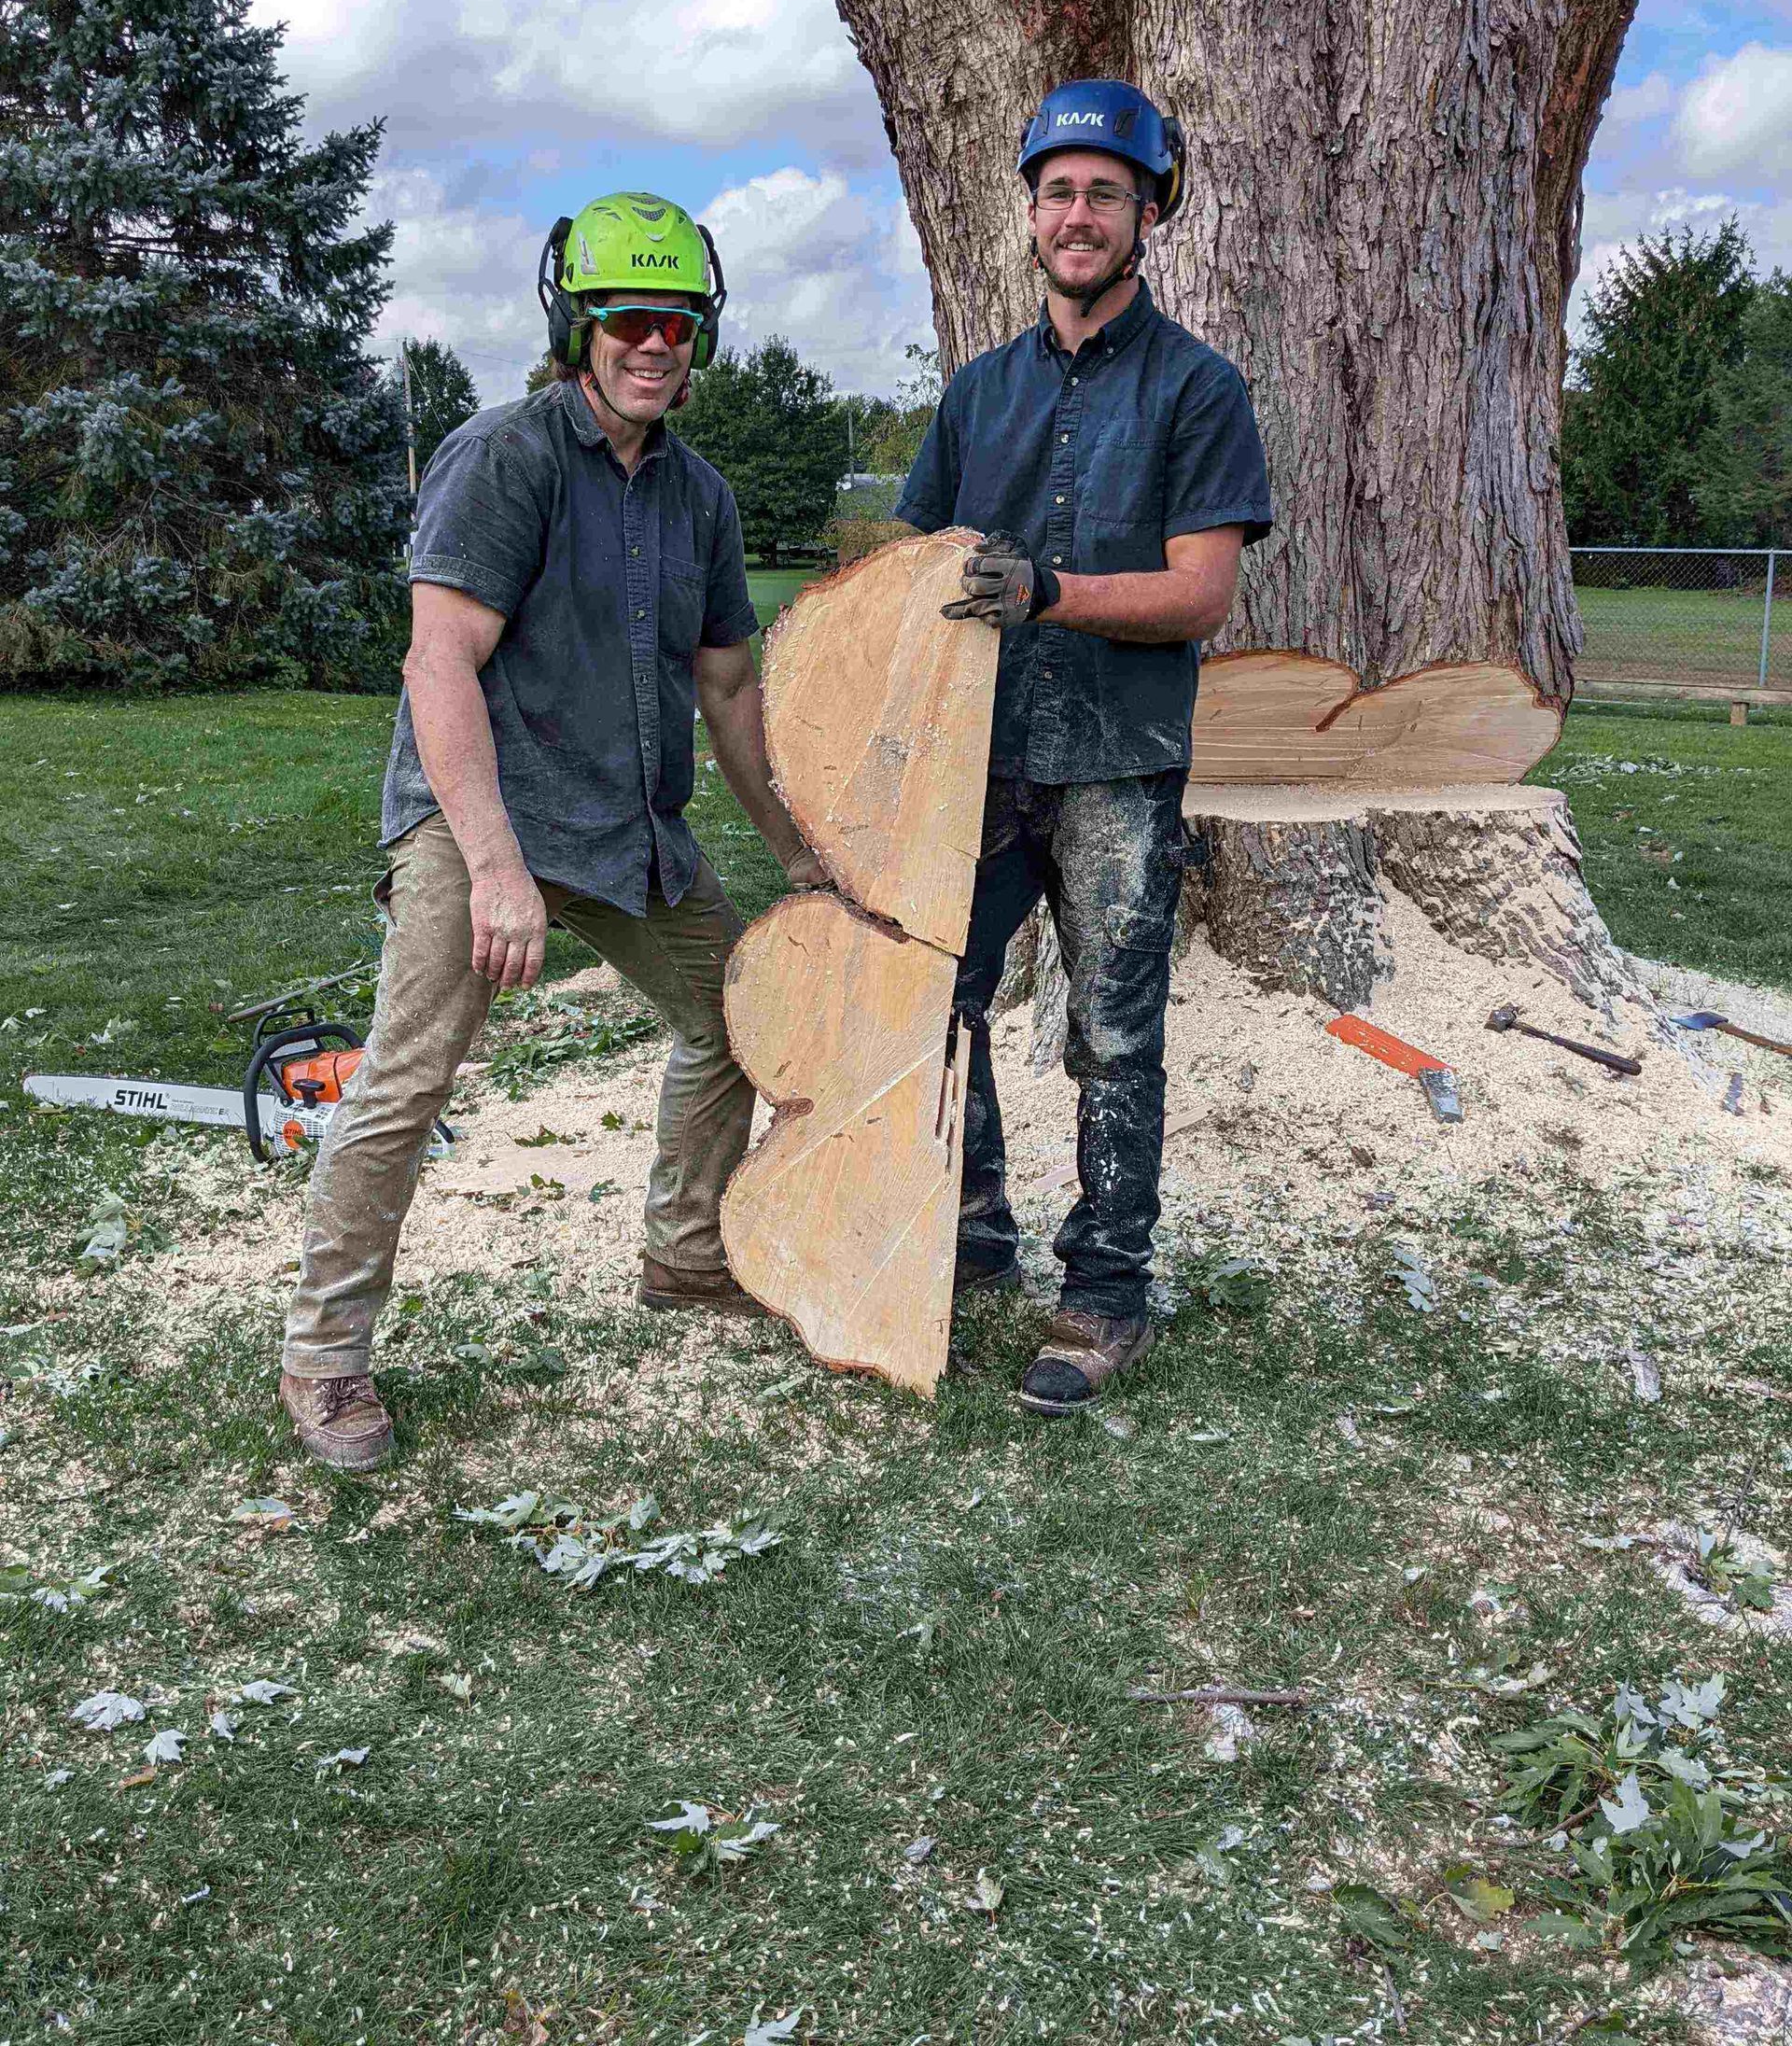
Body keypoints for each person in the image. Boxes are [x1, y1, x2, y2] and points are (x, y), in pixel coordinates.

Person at [278, 191, 824, 1471]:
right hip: (484, 824)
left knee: (738, 1012)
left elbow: (732, 687)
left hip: (625, 828)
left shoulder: (700, 499)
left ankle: (686, 1257)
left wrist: (798, 847)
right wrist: (496, 872)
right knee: (407, 1083)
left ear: (701, 337)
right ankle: (325, 1355)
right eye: (628, 320)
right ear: (576, 324)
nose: (654, 345)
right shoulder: (506, 457)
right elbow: (437, 666)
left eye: (676, 324)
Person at [897, 80, 1274, 1416]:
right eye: (1058, 190)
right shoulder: (978, 394)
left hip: (1118, 757)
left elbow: (1199, 592)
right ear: (1033, 210)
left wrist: (1049, 592)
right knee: (938, 1002)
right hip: (979, 762)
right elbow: (916, 565)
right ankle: (972, 1228)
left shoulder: (1198, 388)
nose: (1078, 213)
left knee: (1115, 1034)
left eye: (1106, 192)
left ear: (1149, 212)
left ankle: (1107, 1291)